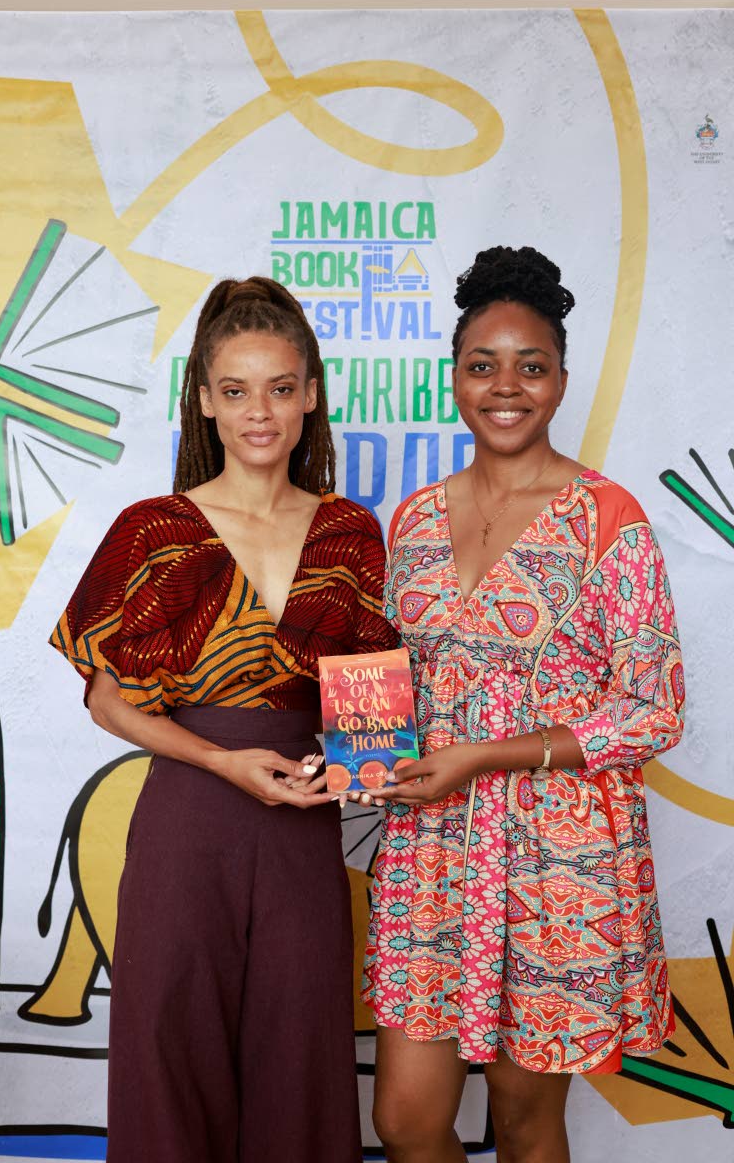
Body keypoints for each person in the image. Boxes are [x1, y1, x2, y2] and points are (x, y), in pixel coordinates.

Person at [49, 276, 397, 1163]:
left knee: (303, 1060)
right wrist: (221, 762)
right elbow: (106, 699)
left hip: (301, 831)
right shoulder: (154, 529)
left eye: (281, 389)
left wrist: (354, 769)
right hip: (187, 822)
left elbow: (371, 719)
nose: (260, 413)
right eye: (236, 391)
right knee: (172, 1059)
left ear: (311, 394)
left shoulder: (352, 532)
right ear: (203, 401)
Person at [361, 246, 685, 1163]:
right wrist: (364, 749)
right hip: (432, 850)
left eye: (530, 367)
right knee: (407, 1122)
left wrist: (492, 756)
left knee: (523, 1118)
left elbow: (654, 707)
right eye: (483, 366)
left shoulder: (606, 516)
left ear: (560, 381)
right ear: (456, 378)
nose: (506, 387)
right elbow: (397, 677)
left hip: (558, 862)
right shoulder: (415, 518)